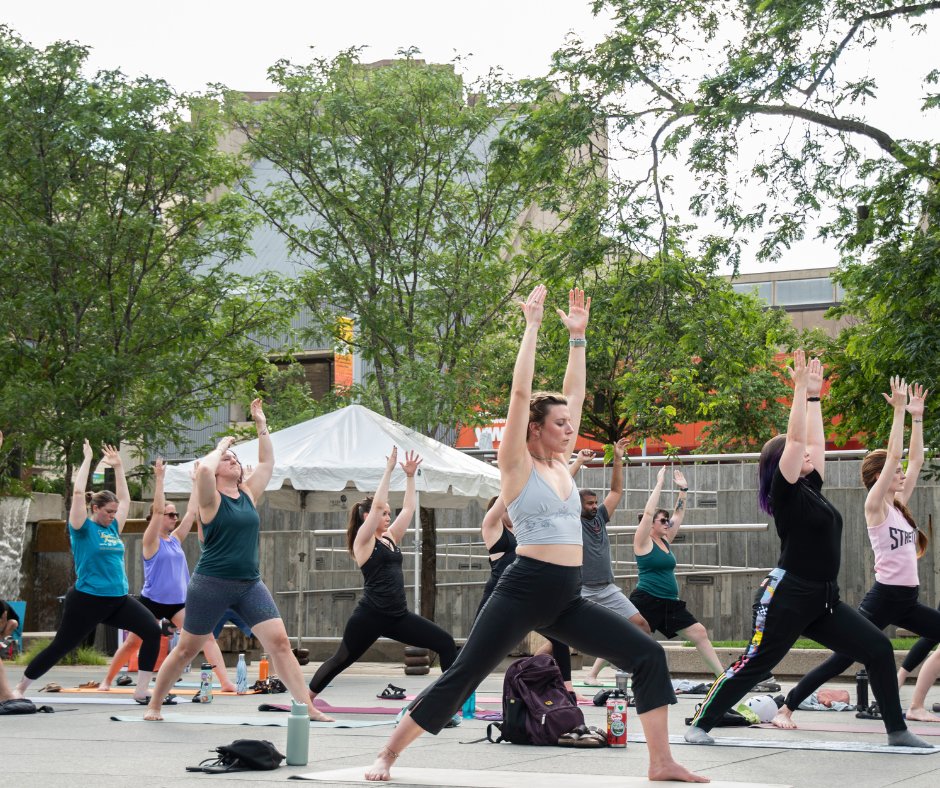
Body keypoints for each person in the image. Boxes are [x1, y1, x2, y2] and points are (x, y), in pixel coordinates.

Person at [365, 285, 707, 783]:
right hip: (523, 589)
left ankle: (661, 762)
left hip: (567, 598)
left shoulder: (564, 469)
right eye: (561, 423)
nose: (571, 428)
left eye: (571, 423)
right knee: (465, 674)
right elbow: (520, 395)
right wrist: (531, 328)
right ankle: (388, 754)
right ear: (534, 428)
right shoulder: (517, 466)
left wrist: (578, 338)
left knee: (648, 655)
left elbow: (577, 393)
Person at [685, 352, 928, 748]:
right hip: (787, 595)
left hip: (823, 598)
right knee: (757, 662)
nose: (812, 456)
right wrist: (798, 391)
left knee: (879, 649)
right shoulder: (786, 493)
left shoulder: (812, 491)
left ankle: (897, 731)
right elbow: (798, 439)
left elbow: (813, 441)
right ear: (784, 462)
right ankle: (701, 722)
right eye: (802, 456)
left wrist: (816, 397)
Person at [143, 399, 331, 721]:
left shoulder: (247, 494)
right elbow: (203, 468)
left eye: (234, 459)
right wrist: (220, 446)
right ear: (216, 471)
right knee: (188, 648)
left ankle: (307, 707)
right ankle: (154, 704)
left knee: (280, 644)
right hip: (211, 585)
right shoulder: (209, 499)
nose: (232, 461)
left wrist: (261, 422)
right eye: (226, 460)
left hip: (249, 584)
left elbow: (268, 463)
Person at [772, 379, 940, 727]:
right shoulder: (875, 505)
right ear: (878, 477)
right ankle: (787, 707)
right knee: (841, 660)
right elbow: (895, 455)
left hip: (907, 600)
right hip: (884, 598)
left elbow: (915, 459)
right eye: (893, 471)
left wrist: (918, 418)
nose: (900, 472)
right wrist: (897, 412)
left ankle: (915, 701)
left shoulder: (900, 505)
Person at [15, 442, 162, 704]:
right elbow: (79, 491)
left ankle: (141, 691)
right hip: (87, 600)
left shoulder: (113, 529)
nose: (112, 516)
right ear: (95, 509)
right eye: (108, 512)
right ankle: (20, 688)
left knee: (152, 629)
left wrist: (118, 467)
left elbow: (126, 499)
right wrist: (88, 460)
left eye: (114, 513)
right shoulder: (81, 529)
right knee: (62, 646)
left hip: (117, 599)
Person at [308, 448, 457, 701]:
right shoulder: (363, 541)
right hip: (370, 616)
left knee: (445, 643)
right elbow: (377, 504)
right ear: (368, 517)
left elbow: (409, 509)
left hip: (397, 615)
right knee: (342, 659)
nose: (388, 517)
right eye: (385, 513)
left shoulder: (389, 538)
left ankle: (449, 702)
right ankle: (305, 701)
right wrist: (388, 470)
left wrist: (410, 477)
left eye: (389, 513)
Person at [98, 459, 235, 692]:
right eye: (170, 514)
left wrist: (195, 483)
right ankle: (107, 680)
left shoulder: (175, 540)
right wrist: (160, 479)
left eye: (174, 515)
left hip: (177, 604)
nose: (174, 518)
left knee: (207, 637)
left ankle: (225, 682)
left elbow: (192, 512)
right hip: (152, 602)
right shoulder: (151, 541)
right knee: (133, 642)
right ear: (157, 517)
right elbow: (159, 508)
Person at [568, 443, 652, 686]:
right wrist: (578, 463)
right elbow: (561, 489)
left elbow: (615, 491)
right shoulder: (573, 519)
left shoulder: (601, 518)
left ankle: (638, 670)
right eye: (589, 504)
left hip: (607, 588)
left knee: (641, 625)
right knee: (561, 641)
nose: (595, 506)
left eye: (595, 502)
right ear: (578, 505)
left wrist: (617, 459)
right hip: (583, 590)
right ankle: (531, 667)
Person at [631, 466, 723, 678]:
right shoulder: (642, 542)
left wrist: (683, 490)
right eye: (662, 520)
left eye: (666, 520)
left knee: (699, 632)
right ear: (651, 525)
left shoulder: (665, 540)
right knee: (626, 635)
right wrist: (659, 485)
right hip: (647, 600)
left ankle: (722, 677)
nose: (667, 523)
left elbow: (679, 513)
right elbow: (647, 513)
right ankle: (594, 673)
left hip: (669, 602)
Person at [479, 497, 577, 694]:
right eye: (508, 509)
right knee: (479, 650)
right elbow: (505, 497)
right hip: (498, 599)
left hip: (527, 599)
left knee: (560, 639)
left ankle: (567, 688)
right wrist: (513, 478)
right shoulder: (493, 530)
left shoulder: (525, 532)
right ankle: (464, 698)